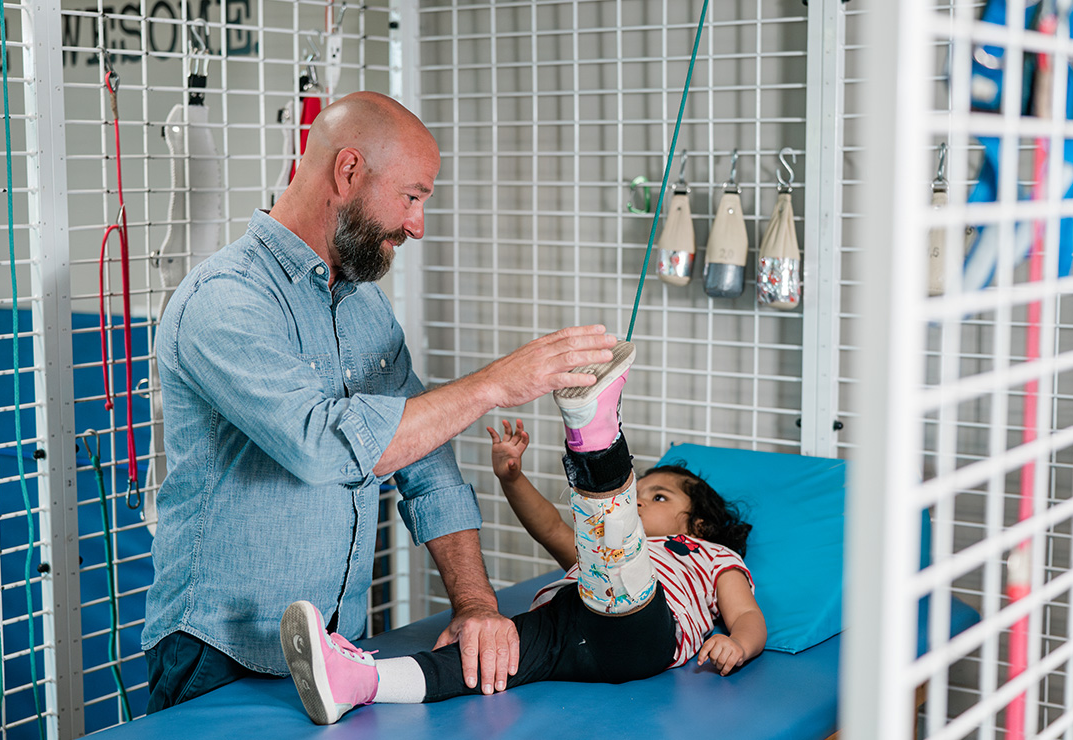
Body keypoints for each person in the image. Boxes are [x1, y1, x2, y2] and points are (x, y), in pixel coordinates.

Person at [142, 90, 619, 713]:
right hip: (219, 655)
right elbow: (323, 448)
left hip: (337, 647)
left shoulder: (364, 306)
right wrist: (494, 385)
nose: (417, 224)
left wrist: (475, 603)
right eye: (412, 197)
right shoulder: (224, 299)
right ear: (348, 171)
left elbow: (427, 462)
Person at [280, 341, 767, 725]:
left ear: (698, 524)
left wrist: (740, 645)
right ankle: (358, 683)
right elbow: (552, 527)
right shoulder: (592, 559)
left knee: (616, 548)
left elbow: (746, 615)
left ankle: (593, 431)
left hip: (642, 631)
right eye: (640, 492)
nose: (642, 499)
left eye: (659, 498)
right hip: (567, 622)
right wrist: (512, 478)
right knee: (482, 662)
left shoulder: (707, 555)